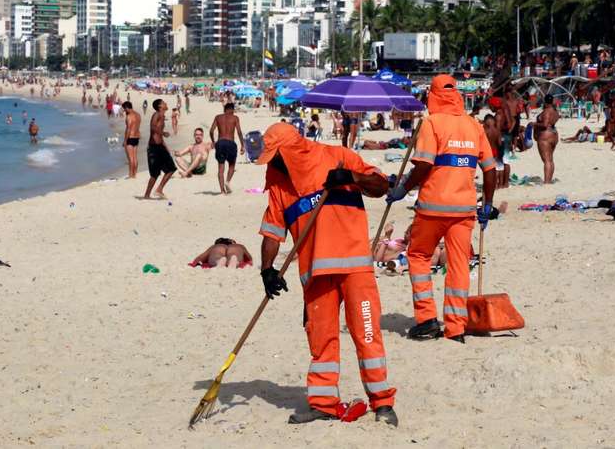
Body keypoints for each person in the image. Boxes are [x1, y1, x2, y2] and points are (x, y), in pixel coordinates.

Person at [256, 122, 398, 426]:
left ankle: (382, 403)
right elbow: (271, 232)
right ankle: (323, 403)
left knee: (367, 335)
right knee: (321, 341)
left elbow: (381, 186)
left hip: (355, 267)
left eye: (276, 156)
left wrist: (352, 177)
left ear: (289, 150)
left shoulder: (338, 156)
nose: (274, 164)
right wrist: (267, 270)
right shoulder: (280, 185)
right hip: (316, 273)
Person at [386, 74, 496, 343]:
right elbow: (491, 169)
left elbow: (423, 165)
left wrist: (403, 189)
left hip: (433, 207)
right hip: (464, 209)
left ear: (433, 95)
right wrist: (488, 203)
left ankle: (426, 320)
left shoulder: (431, 123)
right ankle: (456, 328)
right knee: (459, 265)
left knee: (419, 257)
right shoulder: (473, 125)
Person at [209, 102, 245, 194]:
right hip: (230, 143)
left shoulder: (218, 117)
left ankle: (222, 191)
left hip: (220, 143)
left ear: (225, 109)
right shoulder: (235, 118)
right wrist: (242, 145)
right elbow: (239, 132)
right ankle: (227, 181)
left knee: (221, 168)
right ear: (232, 109)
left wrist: (213, 142)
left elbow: (211, 131)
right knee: (232, 165)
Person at [144, 99, 176, 199]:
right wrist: (163, 133)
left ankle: (159, 189)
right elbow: (152, 127)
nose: (166, 103)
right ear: (160, 106)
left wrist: (166, 148)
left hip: (160, 147)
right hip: (153, 148)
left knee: (171, 168)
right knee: (155, 173)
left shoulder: (162, 116)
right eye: (164, 103)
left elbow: (159, 136)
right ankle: (147, 195)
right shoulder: (156, 114)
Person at [534, 94, 559, 184]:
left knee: (546, 160)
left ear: (545, 102)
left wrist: (534, 124)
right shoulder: (555, 111)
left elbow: (544, 125)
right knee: (550, 159)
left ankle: (547, 181)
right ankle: (549, 179)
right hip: (554, 134)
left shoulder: (546, 111)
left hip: (545, 136)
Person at [122, 102, 141, 178]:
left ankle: (131, 174)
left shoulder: (129, 116)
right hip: (136, 137)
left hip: (130, 137)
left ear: (127, 108)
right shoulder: (138, 115)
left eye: (124, 109)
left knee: (130, 158)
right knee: (135, 157)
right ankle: (135, 173)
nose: (124, 111)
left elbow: (128, 129)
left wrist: (125, 140)